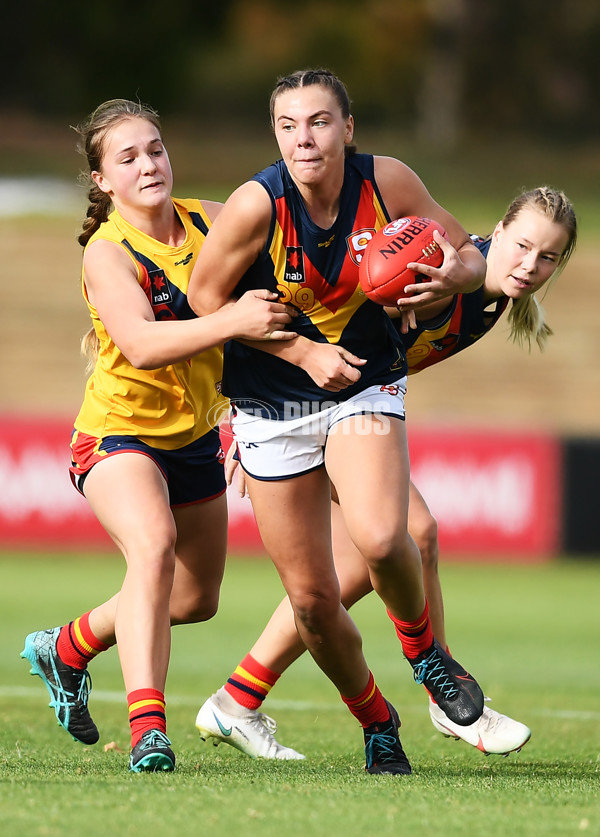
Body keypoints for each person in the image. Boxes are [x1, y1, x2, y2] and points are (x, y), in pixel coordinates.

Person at [195, 185, 577, 760]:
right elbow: (310, 311)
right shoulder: (429, 265)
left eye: (548, 257)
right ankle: (445, 693)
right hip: (292, 412)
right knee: (414, 535)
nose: (530, 264)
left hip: (341, 410)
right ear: (495, 233)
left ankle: (236, 701)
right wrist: (238, 422)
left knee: (350, 573)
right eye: (522, 245)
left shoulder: (490, 299)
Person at [188, 68, 488, 775]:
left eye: (319, 121)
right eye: (289, 125)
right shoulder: (256, 204)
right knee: (316, 602)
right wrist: (297, 348)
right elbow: (205, 300)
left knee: (386, 536)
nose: (305, 138)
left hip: (362, 386)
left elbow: (471, 255)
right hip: (273, 406)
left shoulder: (387, 182)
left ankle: (426, 657)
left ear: (347, 129)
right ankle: (378, 723)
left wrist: (453, 276)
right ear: (275, 135)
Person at [20, 98, 297, 773]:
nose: (149, 164)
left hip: (197, 437)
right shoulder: (107, 252)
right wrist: (232, 320)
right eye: (128, 157)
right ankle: (149, 728)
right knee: (153, 547)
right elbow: (143, 345)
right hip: (118, 434)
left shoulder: (216, 220)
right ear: (102, 182)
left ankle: (68, 645)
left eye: (155, 149)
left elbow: (285, 296)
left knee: (195, 598)